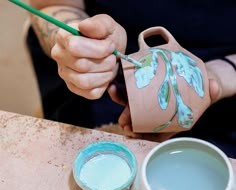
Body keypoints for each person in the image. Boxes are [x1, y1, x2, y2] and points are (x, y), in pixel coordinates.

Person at [27, 0, 236, 158]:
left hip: (223, 83)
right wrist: (76, 42)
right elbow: (51, 4)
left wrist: (219, 74)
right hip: (100, 75)